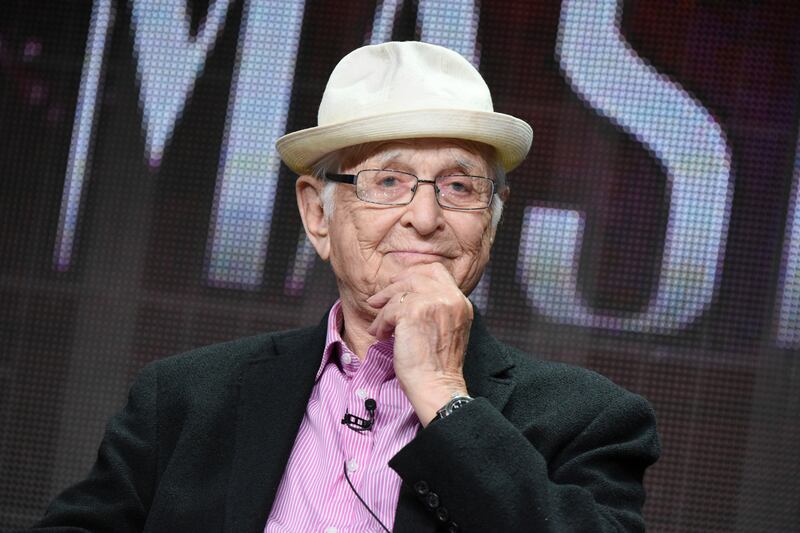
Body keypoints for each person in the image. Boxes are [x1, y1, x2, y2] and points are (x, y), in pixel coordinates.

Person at [32, 41, 659, 532]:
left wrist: (445, 397)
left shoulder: (589, 419)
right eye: (387, 182)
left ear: (491, 219)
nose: (425, 216)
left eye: (460, 187)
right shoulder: (185, 397)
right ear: (316, 215)